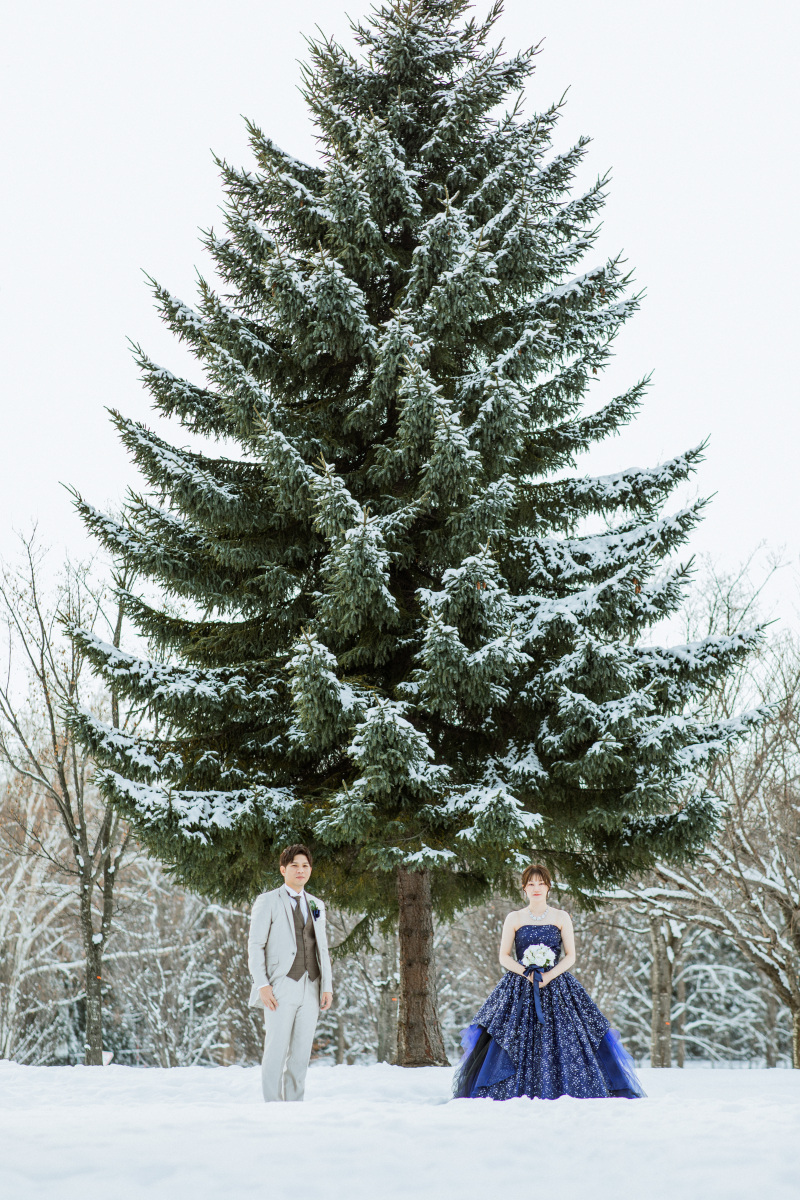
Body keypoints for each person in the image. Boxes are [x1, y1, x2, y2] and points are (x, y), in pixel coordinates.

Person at [453, 864, 645, 1100]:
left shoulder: (561, 916)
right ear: (524, 888)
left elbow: (571, 956)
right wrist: (527, 972)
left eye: (541, 883)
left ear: (548, 887)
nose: (536, 888)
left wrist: (549, 976)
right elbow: (504, 956)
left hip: (556, 984)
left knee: (567, 1037)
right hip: (521, 984)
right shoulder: (514, 917)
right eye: (531, 883)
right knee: (510, 1037)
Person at [247, 844, 333, 1102]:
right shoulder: (268, 901)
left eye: (305, 866)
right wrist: (262, 984)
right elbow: (255, 945)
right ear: (283, 869)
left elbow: (322, 946)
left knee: (301, 1054)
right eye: (295, 865)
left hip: (312, 986)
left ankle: (295, 1107)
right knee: (275, 1050)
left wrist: (326, 985)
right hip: (279, 986)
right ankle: (272, 1106)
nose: (300, 870)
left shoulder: (317, 905)